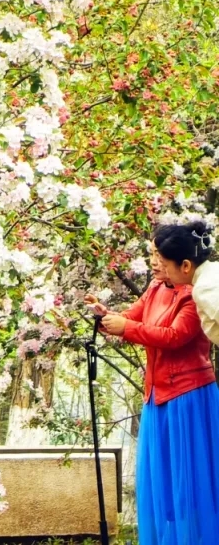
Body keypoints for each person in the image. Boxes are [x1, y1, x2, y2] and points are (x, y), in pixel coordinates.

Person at [86, 219, 219, 545]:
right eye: (152, 254)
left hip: (188, 397)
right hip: (158, 395)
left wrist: (126, 328)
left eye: (159, 256)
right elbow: (134, 315)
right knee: (162, 485)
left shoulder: (196, 294)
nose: (154, 262)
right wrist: (108, 317)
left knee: (190, 485)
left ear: (183, 263)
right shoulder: (158, 288)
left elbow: (175, 336)